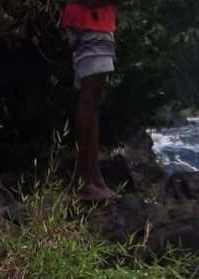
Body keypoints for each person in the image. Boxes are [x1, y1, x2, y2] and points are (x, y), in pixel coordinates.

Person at [60, 1, 119, 201]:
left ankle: (94, 178)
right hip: (90, 21)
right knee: (89, 99)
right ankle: (83, 182)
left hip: (93, 22)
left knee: (93, 102)